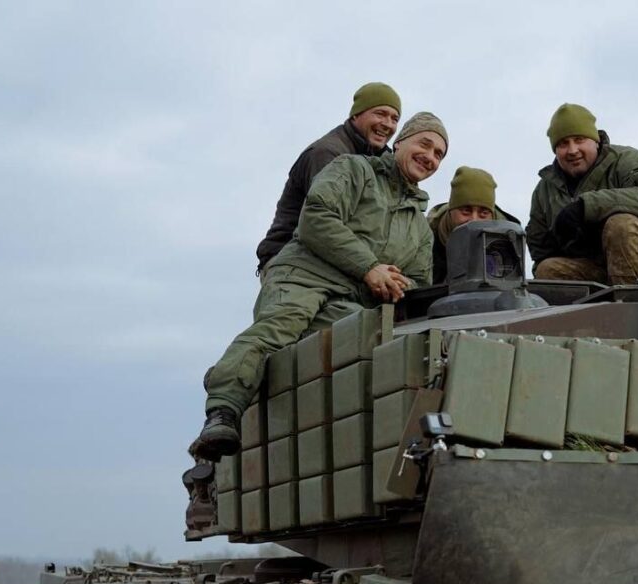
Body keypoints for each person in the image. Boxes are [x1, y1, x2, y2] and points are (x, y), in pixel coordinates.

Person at [191, 112, 449, 461]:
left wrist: (394, 284)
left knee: (357, 348)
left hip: (352, 300)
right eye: (425, 144)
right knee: (282, 325)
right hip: (304, 274)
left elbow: (418, 282)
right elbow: (316, 217)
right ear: (400, 141)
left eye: (439, 154)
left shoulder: (418, 227)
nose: (430, 157)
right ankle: (222, 412)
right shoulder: (354, 170)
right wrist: (370, 267)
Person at [525, 103, 638, 284]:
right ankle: (597, 310)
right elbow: (541, 249)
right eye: (563, 144)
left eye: (579, 139)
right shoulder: (545, 190)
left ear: (595, 140)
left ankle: (633, 308)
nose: (573, 150)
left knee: (621, 225)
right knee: (547, 270)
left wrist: (586, 207)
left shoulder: (626, 161)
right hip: (600, 268)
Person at [255, 82, 402, 275]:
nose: (387, 124)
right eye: (380, 114)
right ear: (356, 114)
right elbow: (324, 222)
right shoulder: (328, 154)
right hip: (291, 262)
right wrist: (371, 268)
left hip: (335, 257)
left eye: (394, 118)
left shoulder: (381, 160)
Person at [425, 166, 520, 284]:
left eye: (483, 213)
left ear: (492, 214)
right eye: (466, 211)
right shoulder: (425, 235)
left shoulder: (509, 239)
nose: (474, 220)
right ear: (451, 210)